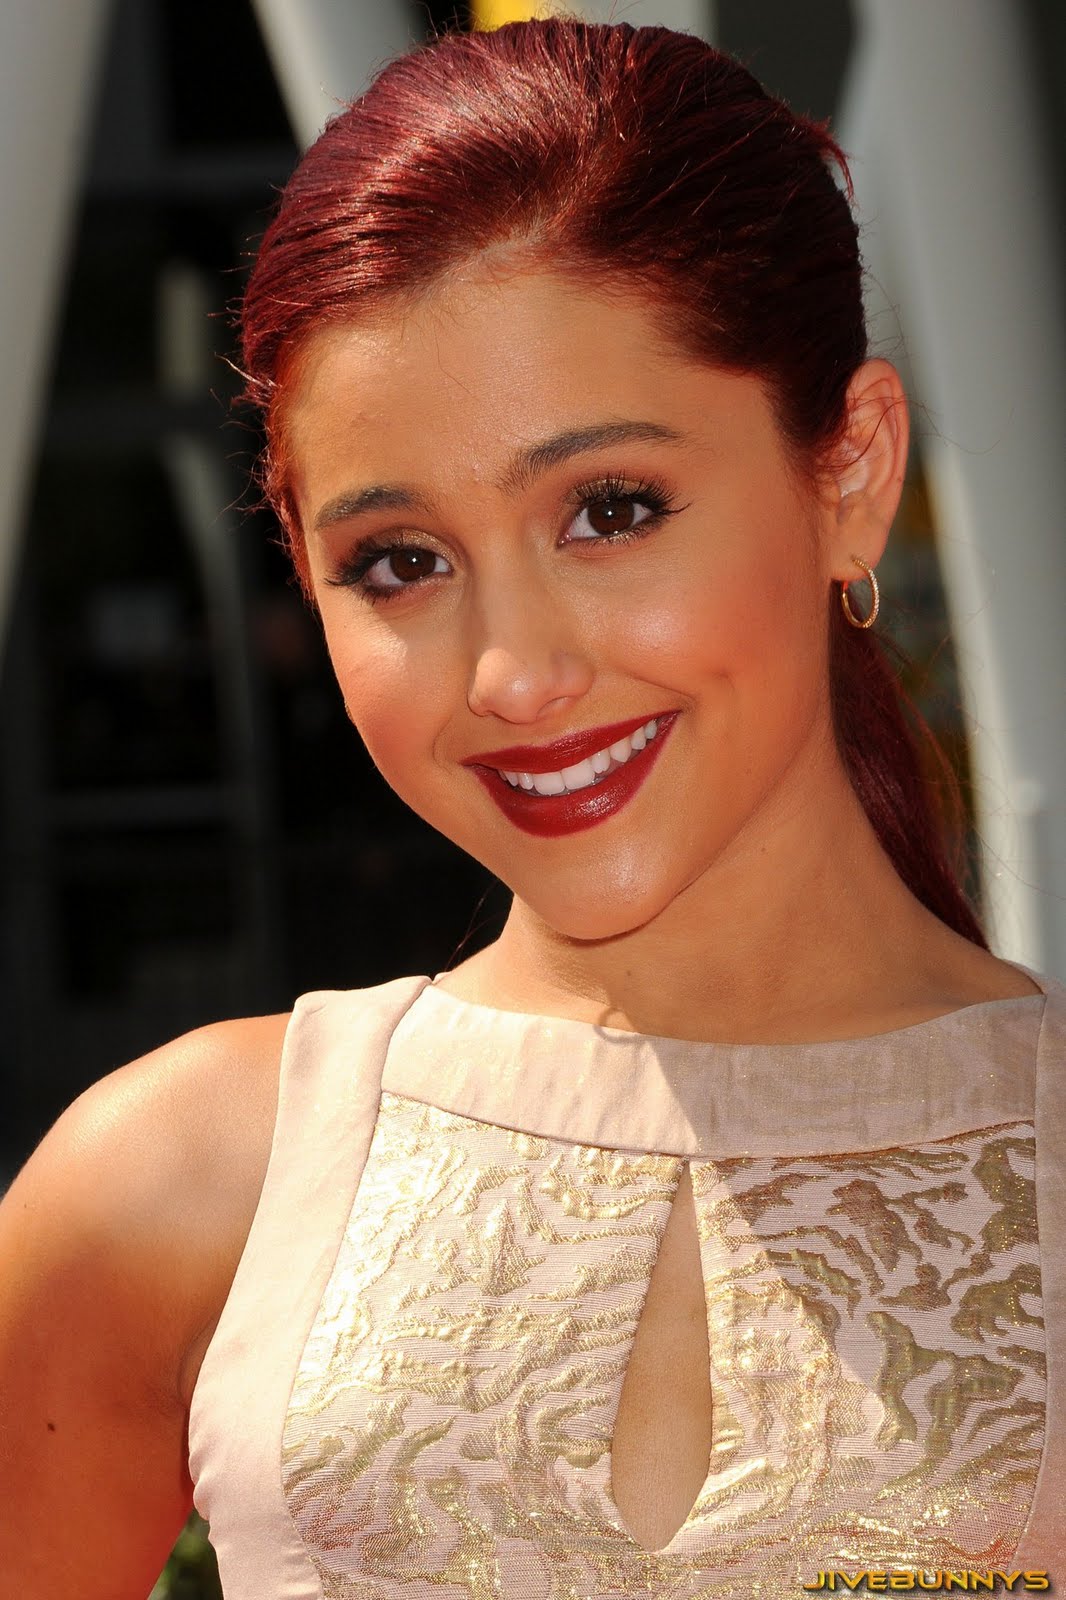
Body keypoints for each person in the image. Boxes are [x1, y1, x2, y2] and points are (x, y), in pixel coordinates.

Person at [1, 17, 1062, 1598]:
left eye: (609, 510)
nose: (513, 673)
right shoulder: (170, 1185)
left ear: (847, 473)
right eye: (399, 562)